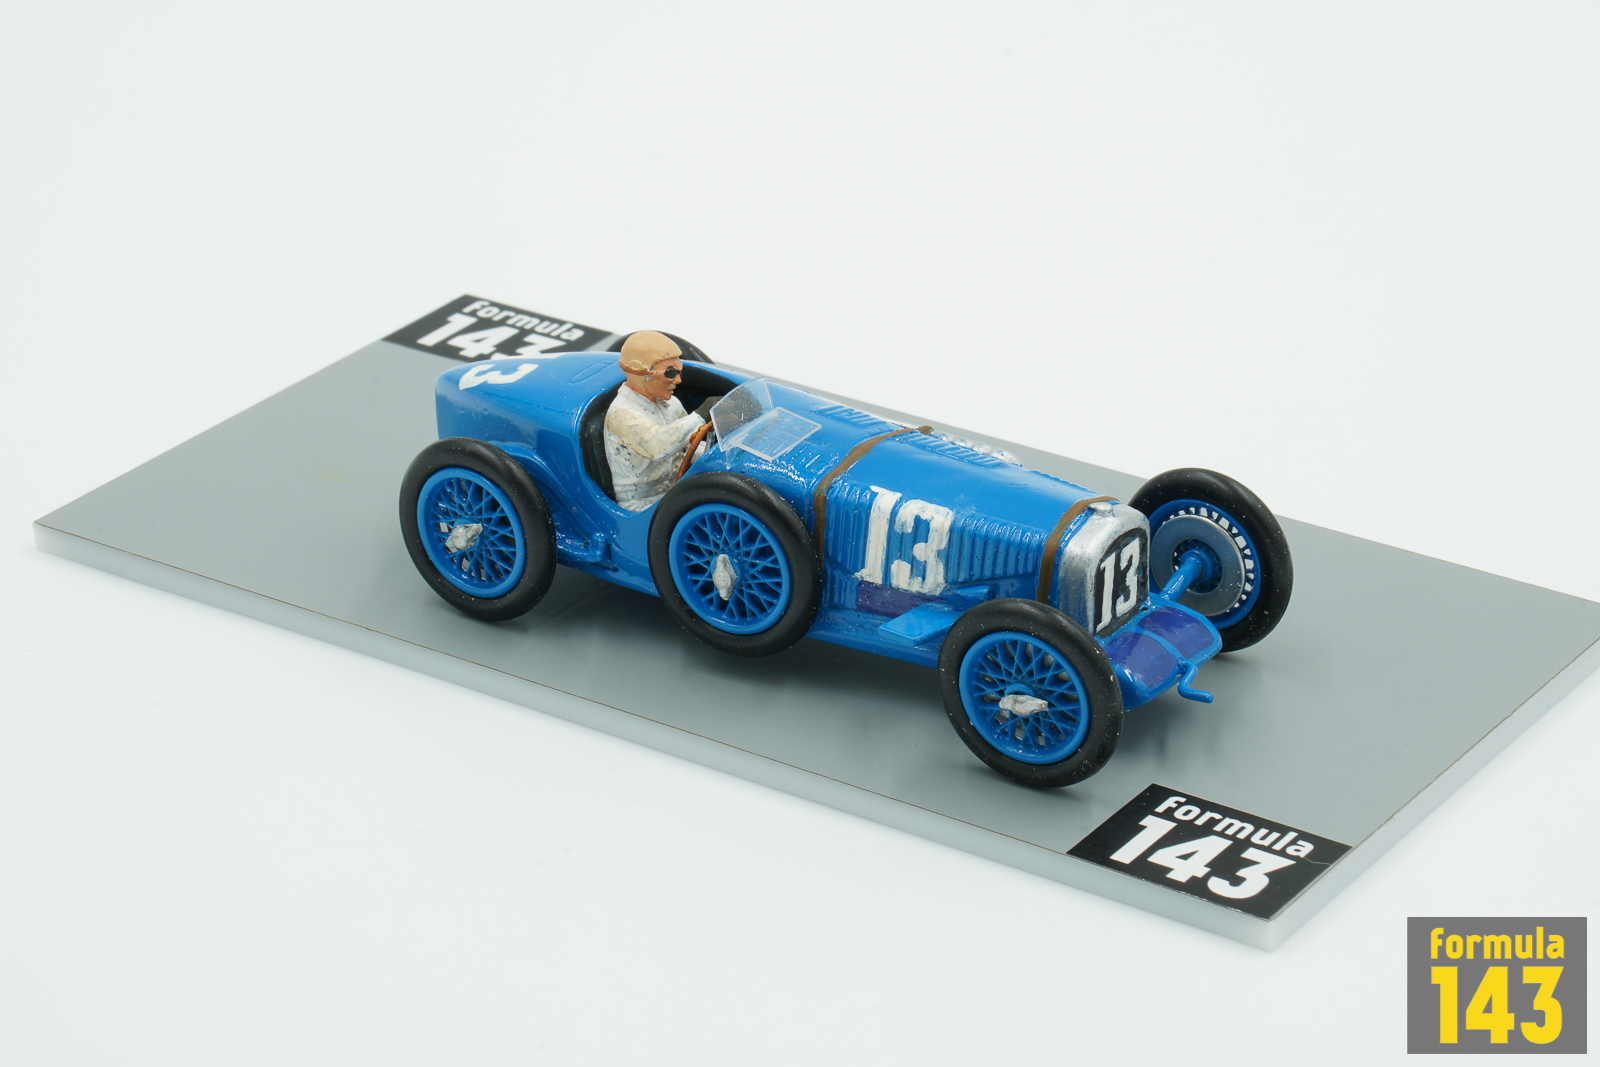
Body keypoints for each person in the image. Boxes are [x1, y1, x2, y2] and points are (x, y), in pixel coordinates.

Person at [604, 331, 719, 511]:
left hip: (675, 491)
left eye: (679, 371)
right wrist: (700, 414)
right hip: (643, 505)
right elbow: (658, 446)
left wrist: (716, 454)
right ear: (640, 373)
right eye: (670, 373)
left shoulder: (672, 403)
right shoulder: (622, 414)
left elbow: (689, 445)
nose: (678, 380)